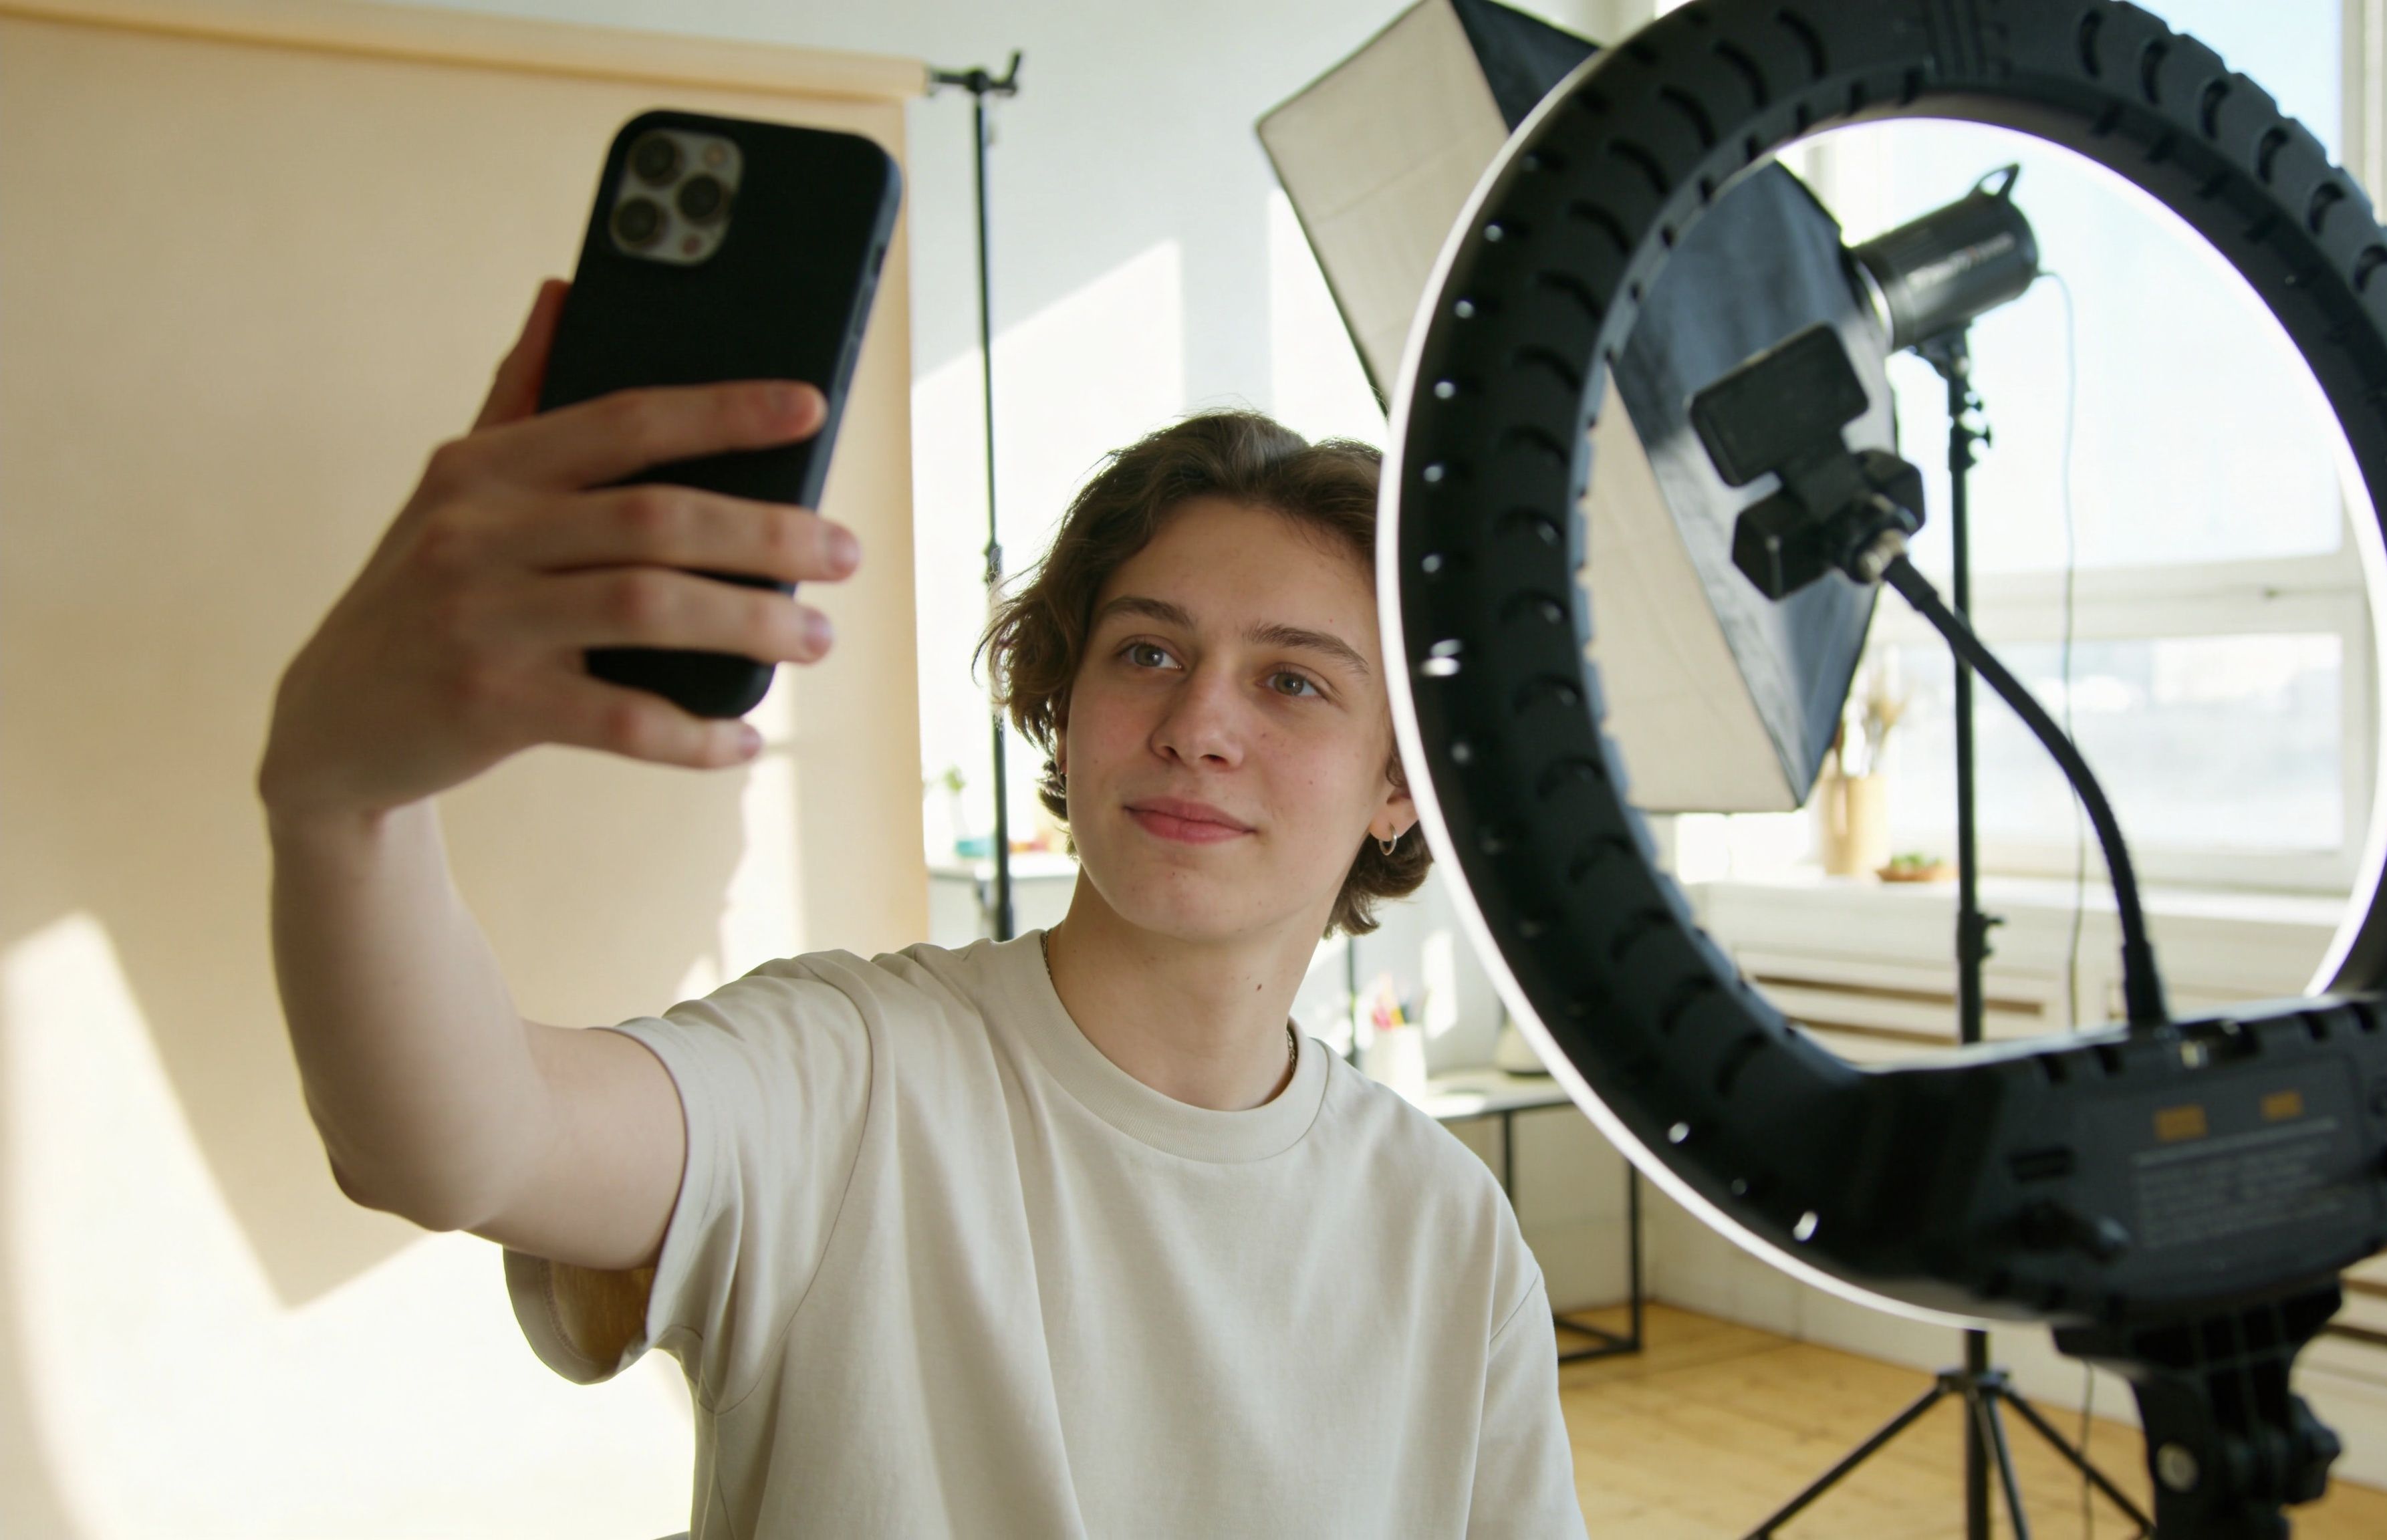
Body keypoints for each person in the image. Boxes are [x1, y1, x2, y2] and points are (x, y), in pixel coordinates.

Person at [258, 281, 1586, 1537]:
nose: (1198, 725)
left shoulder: (1444, 1232)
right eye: (1146, 653)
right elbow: (459, 1141)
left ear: (1399, 785)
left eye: (1292, 682)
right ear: (1067, 707)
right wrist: (341, 806)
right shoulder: (852, 1072)